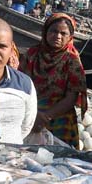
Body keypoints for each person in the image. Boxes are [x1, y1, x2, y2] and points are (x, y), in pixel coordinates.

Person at [20, 13, 86, 148]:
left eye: (63, 33)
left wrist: (45, 117)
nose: (58, 36)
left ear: (70, 37)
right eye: (54, 31)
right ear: (45, 32)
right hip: (31, 114)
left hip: (60, 119)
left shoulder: (71, 60)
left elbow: (71, 97)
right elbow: (21, 85)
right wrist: (33, 115)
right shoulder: (32, 54)